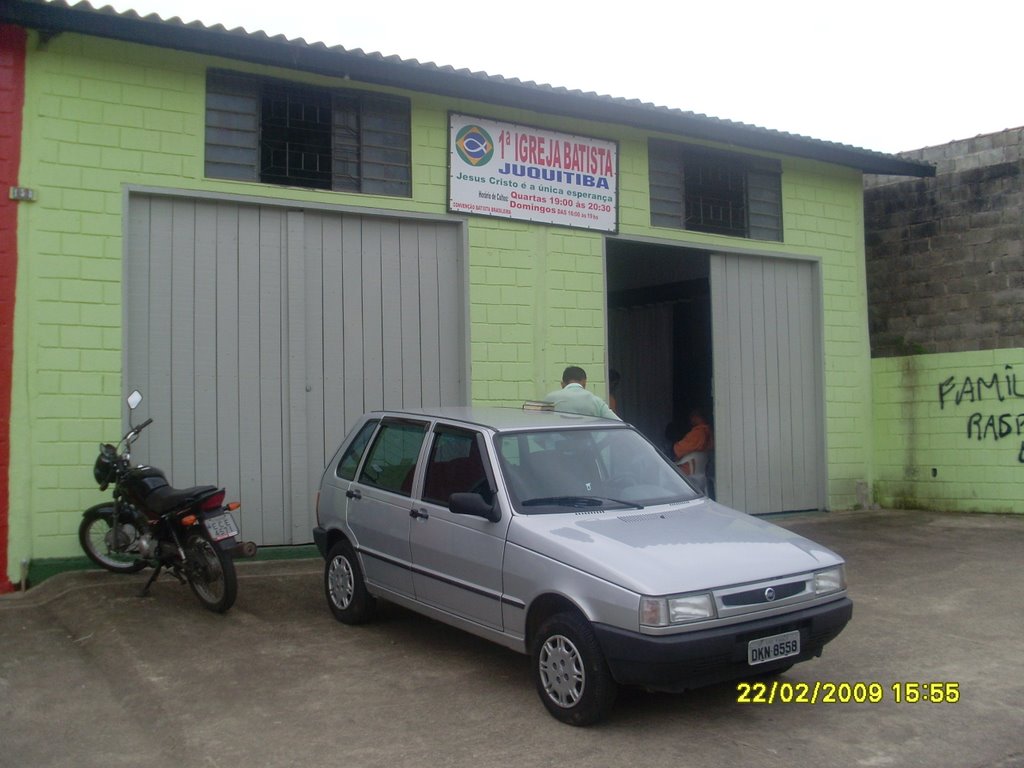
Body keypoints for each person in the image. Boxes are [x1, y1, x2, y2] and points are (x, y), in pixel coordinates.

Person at [544, 366, 620, 420]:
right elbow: (618, 424)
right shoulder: (596, 401)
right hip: (587, 442)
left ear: (562, 384)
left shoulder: (550, 399)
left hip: (557, 442)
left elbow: (541, 425)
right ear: (584, 383)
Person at [672, 407, 714, 473]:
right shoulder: (709, 431)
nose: (691, 419)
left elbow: (680, 449)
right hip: (699, 469)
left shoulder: (698, 433)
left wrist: (673, 447)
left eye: (692, 416)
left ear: (697, 417)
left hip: (688, 469)